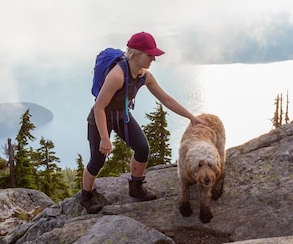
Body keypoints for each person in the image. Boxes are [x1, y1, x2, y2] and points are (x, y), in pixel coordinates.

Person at [80, 31, 207, 214]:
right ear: (136, 54)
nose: (153, 59)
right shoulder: (117, 76)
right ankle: (86, 195)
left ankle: (136, 187)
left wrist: (192, 118)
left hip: (122, 116)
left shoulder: (144, 76)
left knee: (142, 148)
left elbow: (167, 99)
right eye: (150, 54)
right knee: (98, 160)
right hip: (101, 118)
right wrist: (105, 138)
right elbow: (99, 107)